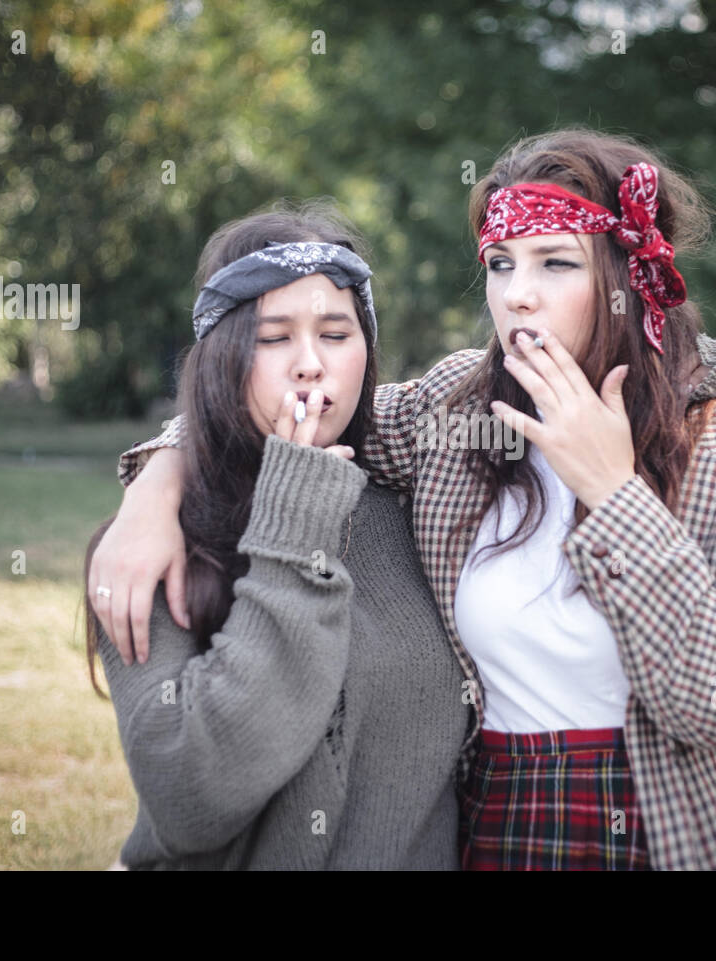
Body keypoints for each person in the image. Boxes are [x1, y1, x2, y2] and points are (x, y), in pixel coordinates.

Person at [99, 128, 716, 870]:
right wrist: (160, 477)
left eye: (556, 262)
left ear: (628, 277)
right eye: (501, 263)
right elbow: (296, 406)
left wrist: (613, 493)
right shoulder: (457, 412)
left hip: (688, 839)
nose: (517, 293)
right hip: (501, 829)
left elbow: (709, 702)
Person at [83, 202, 471, 869]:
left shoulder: (421, 499)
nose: (310, 364)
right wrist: (293, 521)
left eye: (336, 332)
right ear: (223, 357)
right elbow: (190, 798)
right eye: (273, 336)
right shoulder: (152, 542)